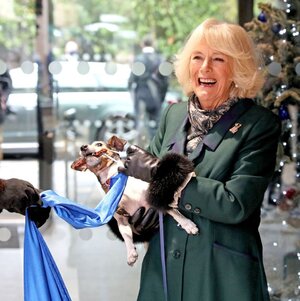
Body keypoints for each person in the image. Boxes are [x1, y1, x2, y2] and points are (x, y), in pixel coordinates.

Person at [115, 18, 281, 301]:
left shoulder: (259, 124)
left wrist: (164, 180)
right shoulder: (174, 115)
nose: (204, 68)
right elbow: (144, 185)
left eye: (218, 59)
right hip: (163, 270)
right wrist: (127, 208)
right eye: (197, 57)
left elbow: (235, 204)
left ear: (238, 68)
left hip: (221, 277)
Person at [128, 35, 169, 140]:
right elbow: (165, 81)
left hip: (141, 96)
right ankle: (155, 150)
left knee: (140, 125)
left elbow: (132, 80)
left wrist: (132, 95)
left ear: (142, 44)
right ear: (153, 44)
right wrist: (161, 98)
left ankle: (141, 150)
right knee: (156, 126)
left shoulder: (138, 59)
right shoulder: (161, 59)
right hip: (156, 96)